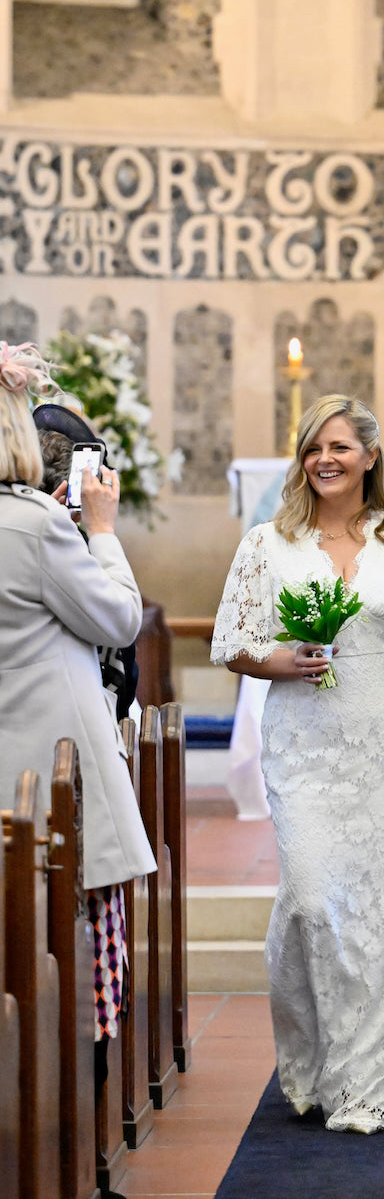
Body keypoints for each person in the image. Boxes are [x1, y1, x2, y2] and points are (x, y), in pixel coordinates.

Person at [210, 393, 384, 1134]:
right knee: (313, 898)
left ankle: (372, 1080)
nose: (325, 459)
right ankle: (318, 1060)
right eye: (313, 448)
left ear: (370, 456)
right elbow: (233, 642)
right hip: (306, 737)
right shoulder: (268, 542)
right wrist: (281, 660)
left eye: (341, 447)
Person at [0, 341, 156, 1167]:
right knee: (66, 941)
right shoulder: (32, 527)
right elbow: (118, 619)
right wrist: (100, 530)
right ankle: (72, 1115)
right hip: (48, 770)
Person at [34, 402, 139, 721]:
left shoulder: (22, 533)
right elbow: (123, 625)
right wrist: (102, 530)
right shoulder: (72, 549)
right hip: (71, 719)